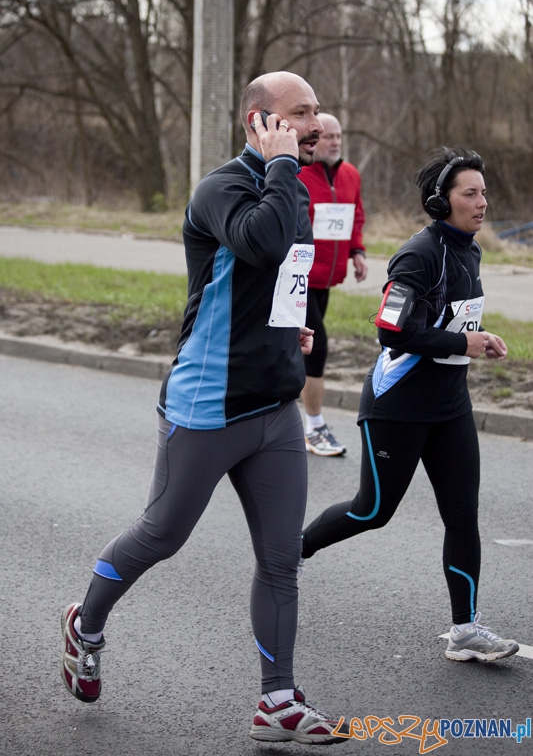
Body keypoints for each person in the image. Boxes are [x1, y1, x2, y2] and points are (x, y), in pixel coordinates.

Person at [60, 71, 350, 745]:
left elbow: (282, 273)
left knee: (280, 560)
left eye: (315, 113)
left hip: (274, 405)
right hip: (207, 404)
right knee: (161, 534)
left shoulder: (288, 183)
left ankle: (276, 699)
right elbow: (264, 242)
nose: (314, 124)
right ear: (260, 121)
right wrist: (281, 165)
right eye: (299, 113)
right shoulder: (223, 186)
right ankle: (86, 623)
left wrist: (289, 331)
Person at [300, 146, 519, 662]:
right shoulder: (419, 254)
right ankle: (287, 555)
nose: (482, 202)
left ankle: (464, 629)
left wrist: (476, 337)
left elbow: (447, 322)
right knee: (372, 511)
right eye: (471, 193)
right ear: (441, 203)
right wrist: (459, 343)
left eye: (484, 192)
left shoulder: (469, 248)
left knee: (463, 516)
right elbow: (390, 329)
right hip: (397, 407)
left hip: (449, 407)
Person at [298, 113, 368, 456]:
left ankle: (272, 417)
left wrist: (357, 251)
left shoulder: (350, 174)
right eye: (327, 136)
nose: (335, 141)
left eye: (339, 136)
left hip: (327, 276)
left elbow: (355, 215)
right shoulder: (298, 173)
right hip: (299, 277)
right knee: (317, 346)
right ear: (313, 139)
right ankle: (314, 427)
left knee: (295, 349)